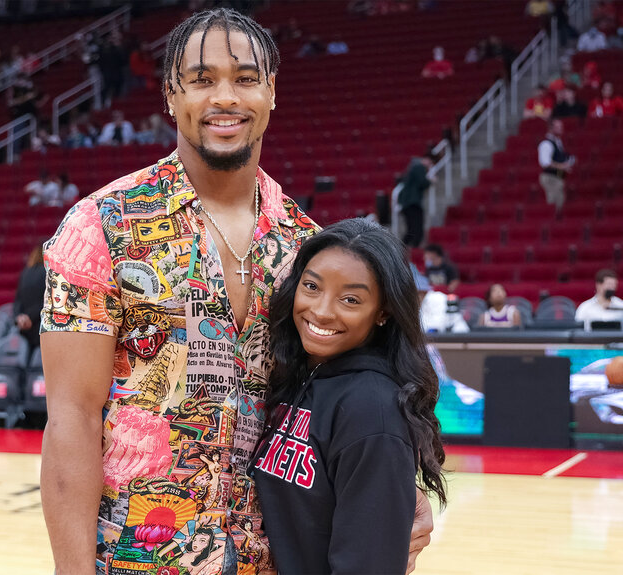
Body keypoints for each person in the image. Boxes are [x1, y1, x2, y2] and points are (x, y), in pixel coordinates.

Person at [38, 9, 434, 575]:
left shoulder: (305, 245)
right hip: (138, 558)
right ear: (171, 97)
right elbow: (71, 415)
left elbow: (347, 396)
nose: (226, 96)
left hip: (275, 558)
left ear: (271, 93)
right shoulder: (101, 227)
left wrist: (399, 485)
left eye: (246, 78)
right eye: (202, 80)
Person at [251, 218, 447, 574]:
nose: (323, 311)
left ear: (383, 311)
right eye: (312, 286)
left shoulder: (374, 411)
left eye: (350, 299)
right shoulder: (300, 377)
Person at [398, 151, 436, 249]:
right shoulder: (419, 167)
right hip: (412, 202)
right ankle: (413, 248)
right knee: (416, 227)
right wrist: (431, 181)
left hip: (407, 203)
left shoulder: (413, 167)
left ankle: (402, 248)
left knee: (411, 229)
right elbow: (422, 182)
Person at [413, 266, 469, 333]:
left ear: (422, 291)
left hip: (458, 334)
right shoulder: (420, 302)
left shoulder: (437, 298)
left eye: (416, 292)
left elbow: (437, 326)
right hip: (441, 336)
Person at [13, 243, 47, 351]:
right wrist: (30, 317)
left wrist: (20, 317)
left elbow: (18, 301)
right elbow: (47, 301)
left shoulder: (25, 273)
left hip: (24, 326)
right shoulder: (47, 272)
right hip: (40, 324)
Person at [538, 118, 574, 212]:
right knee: (555, 203)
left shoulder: (558, 142)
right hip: (551, 177)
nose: (561, 129)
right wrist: (562, 166)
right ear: (551, 128)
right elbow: (545, 163)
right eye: (558, 127)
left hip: (558, 176)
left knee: (560, 201)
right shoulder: (546, 143)